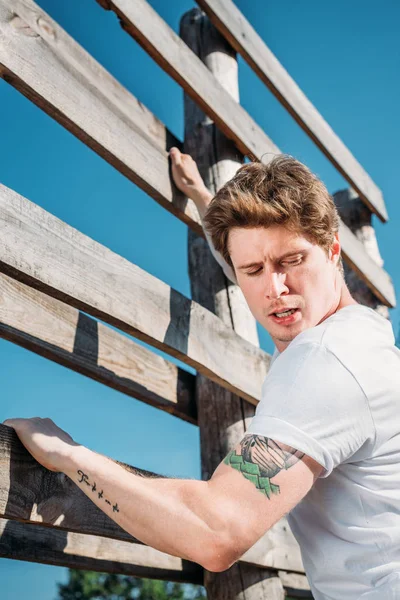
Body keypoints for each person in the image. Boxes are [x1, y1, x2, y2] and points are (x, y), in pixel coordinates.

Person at [4, 148, 400, 600]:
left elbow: (216, 532)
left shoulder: (325, 363)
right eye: (252, 270)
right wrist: (199, 195)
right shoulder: (368, 337)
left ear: (333, 251)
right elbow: (250, 250)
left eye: (291, 261)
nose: (274, 289)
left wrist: (67, 454)